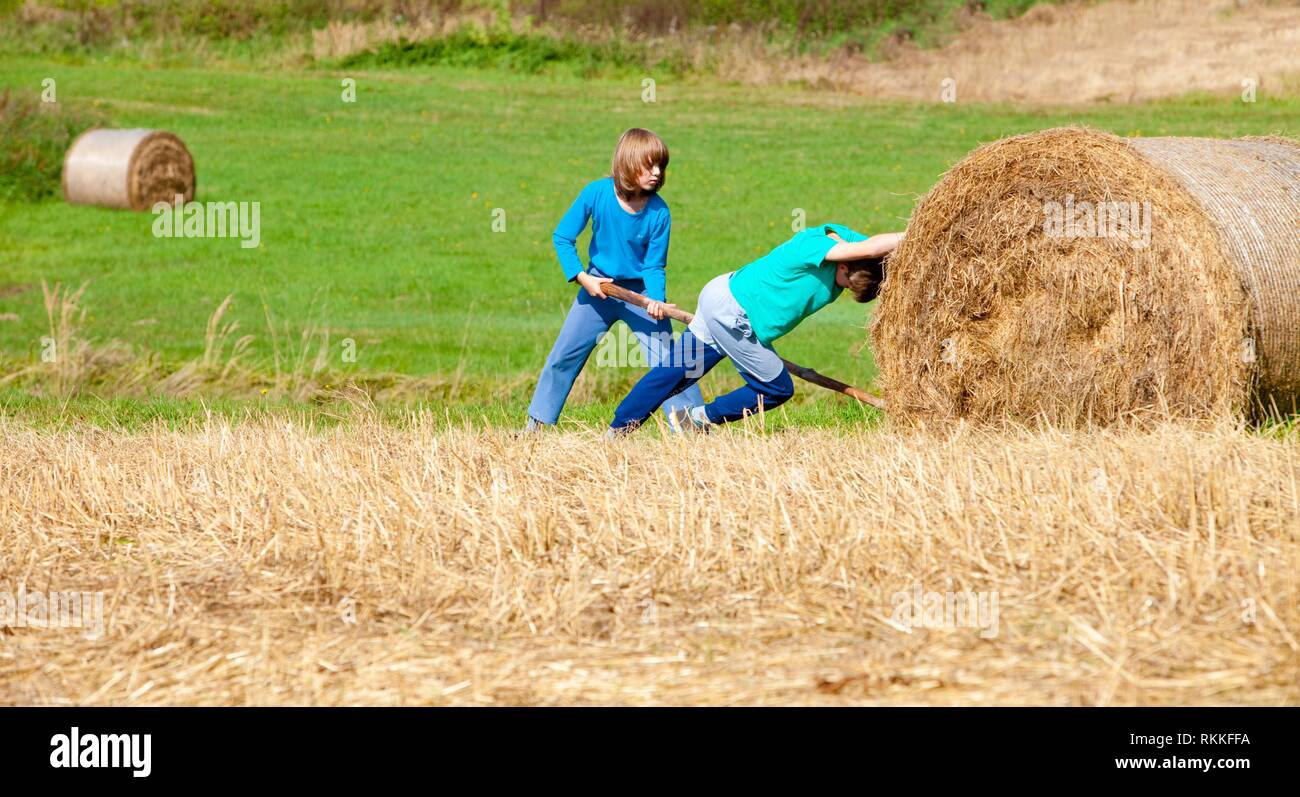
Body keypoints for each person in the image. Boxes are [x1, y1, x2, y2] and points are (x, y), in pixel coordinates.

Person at [609, 223, 903, 433]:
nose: (842, 292)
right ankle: (697, 419)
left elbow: (877, 250)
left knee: (674, 373)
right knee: (776, 388)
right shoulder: (810, 246)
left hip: (722, 297)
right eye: (846, 285)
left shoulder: (853, 247)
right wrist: (919, 232)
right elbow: (873, 246)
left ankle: (616, 432)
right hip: (735, 315)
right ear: (842, 265)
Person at [525, 128, 705, 431]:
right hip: (598, 290)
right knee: (564, 356)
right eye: (649, 165)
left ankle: (692, 431)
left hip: (640, 296)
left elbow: (654, 265)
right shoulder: (595, 193)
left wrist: (656, 300)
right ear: (629, 164)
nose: (657, 172)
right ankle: (537, 426)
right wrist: (584, 278)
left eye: (661, 165)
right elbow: (563, 237)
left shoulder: (660, 212)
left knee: (670, 364)